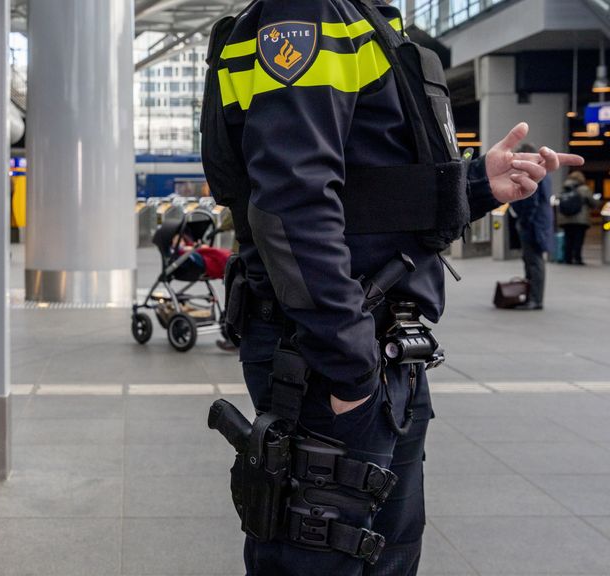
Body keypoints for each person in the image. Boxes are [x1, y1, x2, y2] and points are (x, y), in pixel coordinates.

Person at [201, 1, 584, 575]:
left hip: (378, 351)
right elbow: (291, 202)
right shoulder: (310, 13)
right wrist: (350, 368)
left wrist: (479, 183)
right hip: (329, 358)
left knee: (386, 556)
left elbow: (368, 192)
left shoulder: (365, 18)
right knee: (323, 558)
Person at [510, 143, 553, 310]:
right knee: (534, 260)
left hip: (533, 225)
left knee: (534, 261)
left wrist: (523, 221)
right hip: (540, 223)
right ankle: (532, 296)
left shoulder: (534, 173)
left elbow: (531, 201)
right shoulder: (544, 172)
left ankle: (535, 299)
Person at [558, 171, 601, 265]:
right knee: (578, 240)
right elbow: (593, 203)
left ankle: (567, 258)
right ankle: (577, 258)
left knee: (568, 239)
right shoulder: (584, 189)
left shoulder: (565, 188)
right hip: (580, 219)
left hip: (566, 218)